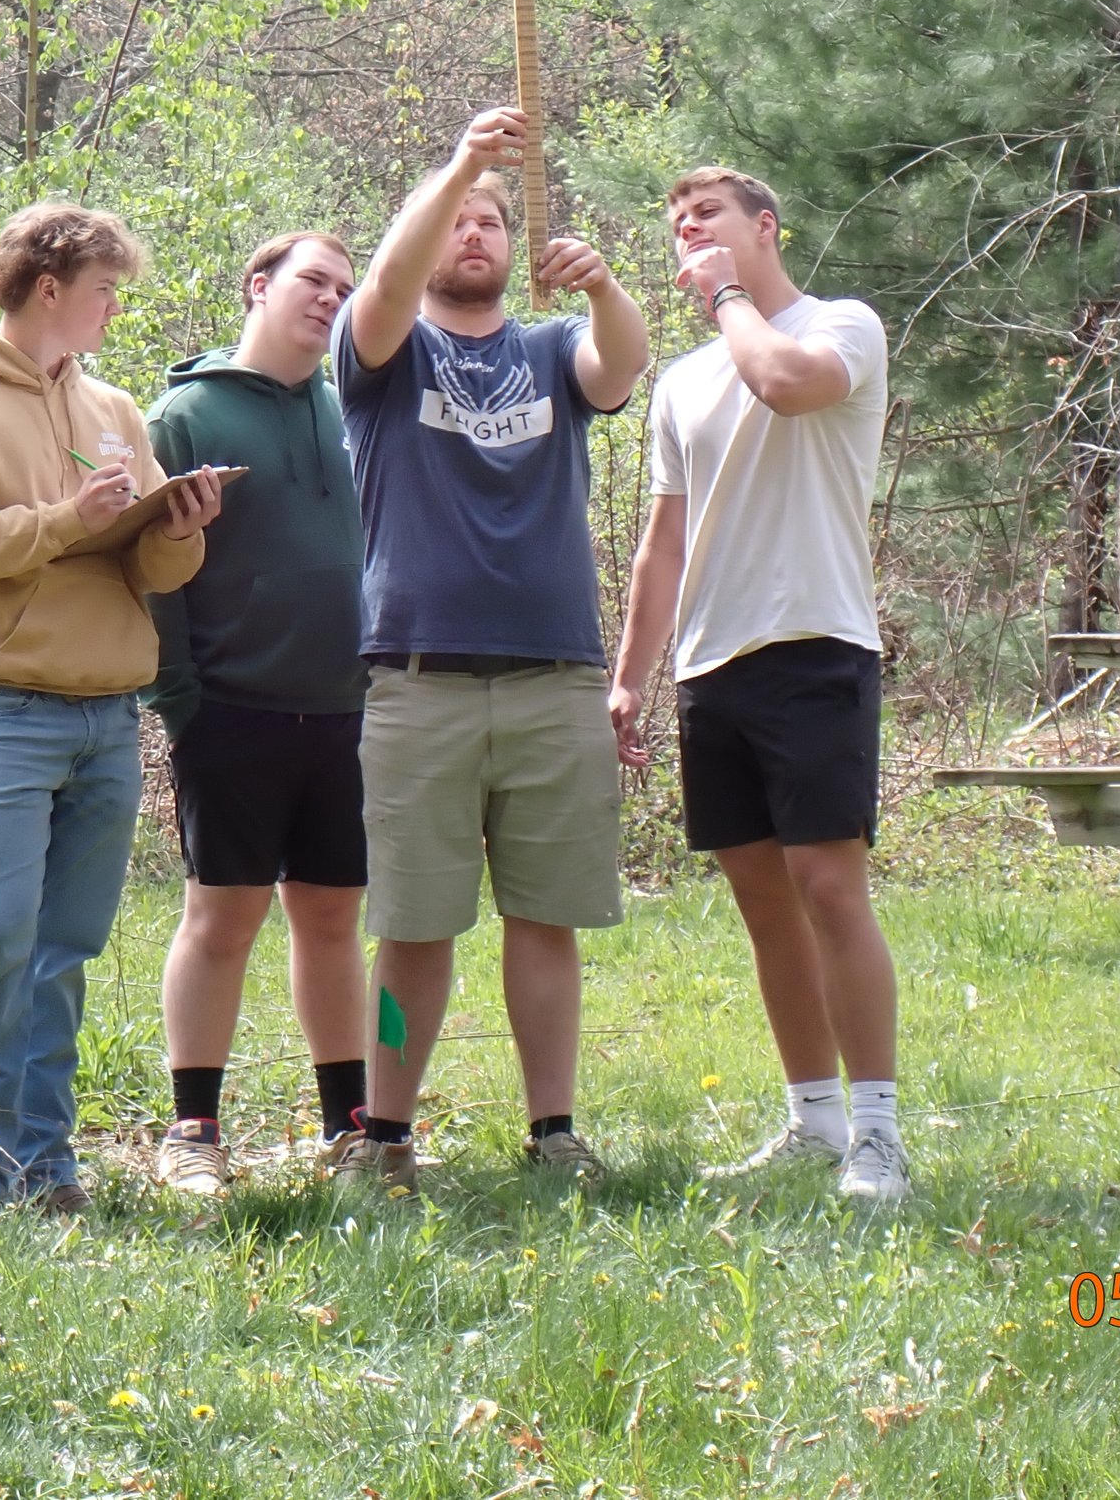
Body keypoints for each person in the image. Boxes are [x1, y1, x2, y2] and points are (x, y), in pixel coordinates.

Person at [329, 106, 650, 1191]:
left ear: (516, 247)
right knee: (411, 929)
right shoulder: (382, 356)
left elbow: (619, 368)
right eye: (456, 219)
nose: (474, 232)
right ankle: (385, 1136)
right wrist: (465, 161)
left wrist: (602, 287)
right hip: (417, 681)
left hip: (555, 678)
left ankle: (554, 1131)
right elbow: (384, 284)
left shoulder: (553, 351)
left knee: (546, 918)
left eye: (493, 221)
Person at [0, 202, 225, 1215]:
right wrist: (66, 520)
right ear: (47, 289)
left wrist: (180, 526)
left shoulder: (114, 410)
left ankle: (44, 1167)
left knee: (64, 951)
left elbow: (154, 568)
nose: (115, 310)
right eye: (104, 291)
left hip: (108, 718)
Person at [607, 167, 908, 1204]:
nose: (688, 232)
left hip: (816, 643)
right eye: (677, 223)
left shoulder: (839, 326)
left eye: (709, 217)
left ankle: (879, 1133)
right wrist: (630, 677)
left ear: (766, 227)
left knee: (828, 887)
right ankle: (813, 1120)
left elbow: (785, 384)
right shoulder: (681, 381)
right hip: (711, 665)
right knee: (765, 904)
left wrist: (729, 293)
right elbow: (664, 542)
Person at [142, 232, 371, 1194]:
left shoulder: (354, 408)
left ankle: (351, 1125)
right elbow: (150, 569)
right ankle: (193, 1129)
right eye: (313, 280)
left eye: (344, 288)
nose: (330, 299)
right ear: (258, 286)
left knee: (334, 916)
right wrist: (182, 702)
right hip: (230, 710)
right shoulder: (184, 415)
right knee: (222, 915)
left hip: (351, 712)